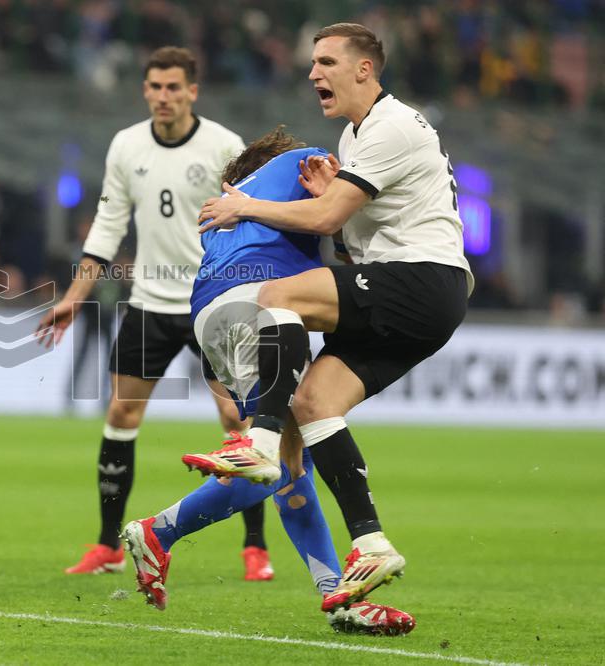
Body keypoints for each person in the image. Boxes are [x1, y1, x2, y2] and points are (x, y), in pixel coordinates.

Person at [184, 23, 473, 612]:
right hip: (417, 296)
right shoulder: (354, 135)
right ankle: (371, 543)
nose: (314, 73)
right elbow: (345, 245)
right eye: (313, 63)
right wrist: (330, 206)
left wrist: (246, 206)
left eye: (326, 62)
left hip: (423, 278)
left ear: (365, 69)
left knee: (279, 295)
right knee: (314, 403)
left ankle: (261, 442)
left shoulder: (392, 125)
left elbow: (322, 222)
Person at [121, 127, 415, 636]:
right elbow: (347, 231)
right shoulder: (305, 162)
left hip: (213, 317)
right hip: (261, 304)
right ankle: (160, 530)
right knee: (277, 456)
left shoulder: (230, 207)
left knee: (290, 465)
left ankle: (338, 597)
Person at [36, 46, 276, 581]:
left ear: (193, 91)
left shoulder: (224, 146)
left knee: (237, 424)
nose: (163, 97)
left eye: (173, 87)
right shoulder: (127, 145)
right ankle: (108, 546)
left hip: (213, 303)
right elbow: (108, 225)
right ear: (144, 90)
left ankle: (255, 547)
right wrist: (74, 295)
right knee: (120, 416)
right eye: (155, 87)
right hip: (148, 304)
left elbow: (251, 223)